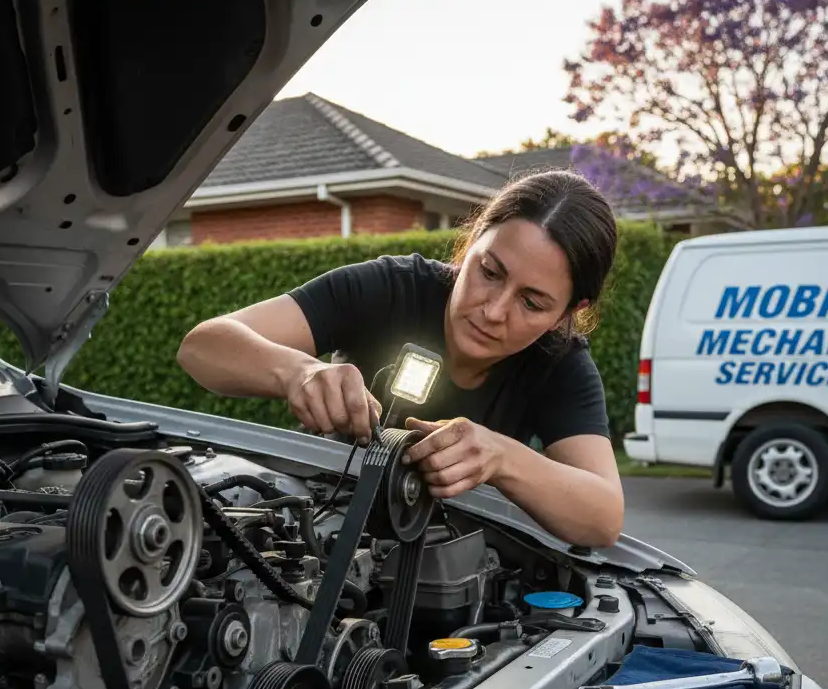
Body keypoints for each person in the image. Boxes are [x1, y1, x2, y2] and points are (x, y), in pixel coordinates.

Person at [177, 169, 625, 547]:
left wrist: (502, 456)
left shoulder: (558, 363)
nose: (493, 311)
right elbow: (202, 346)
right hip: (316, 536)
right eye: (489, 272)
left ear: (568, 314)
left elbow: (603, 517)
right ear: (468, 247)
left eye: (531, 303)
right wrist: (298, 372)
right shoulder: (389, 289)